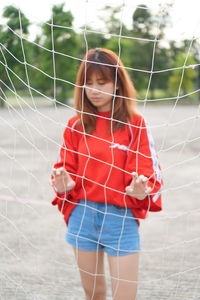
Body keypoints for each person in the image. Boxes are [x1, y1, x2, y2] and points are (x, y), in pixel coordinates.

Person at [50, 48, 163, 300]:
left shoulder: (135, 124)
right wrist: (63, 185)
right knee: (94, 294)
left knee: (125, 296)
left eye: (102, 82)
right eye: (88, 83)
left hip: (120, 218)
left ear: (118, 84)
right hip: (82, 216)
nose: (94, 90)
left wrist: (141, 188)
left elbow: (147, 170)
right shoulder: (76, 124)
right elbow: (64, 170)